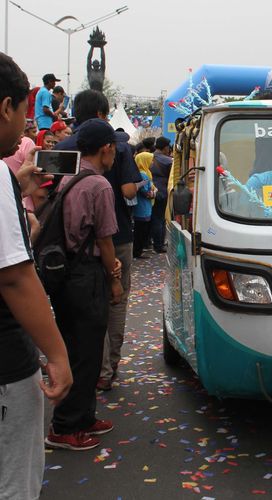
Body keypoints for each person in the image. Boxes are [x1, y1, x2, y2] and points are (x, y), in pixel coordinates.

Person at [0, 51, 72, 499]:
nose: (25, 128)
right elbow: (12, 277)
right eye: (23, 115)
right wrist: (58, 355)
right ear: (6, 106)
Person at [54, 89, 140, 393]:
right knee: (115, 302)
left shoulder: (61, 148)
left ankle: (93, 366)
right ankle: (108, 367)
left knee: (83, 314)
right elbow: (128, 192)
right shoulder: (117, 150)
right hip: (114, 241)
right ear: (103, 114)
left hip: (67, 247)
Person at [46, 118, 123, 450]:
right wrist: (114, 278)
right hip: (87, 275)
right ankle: (64, 427)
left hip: (67, 273)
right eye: (114, 150)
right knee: (85, 351)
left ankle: (84, 417)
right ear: (106, 148)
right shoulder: (100, 186)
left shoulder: (70, 177)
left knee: (79, 347)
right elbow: (106, 240)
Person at [149, 136, 173, 254]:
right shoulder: (168, 161)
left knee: (153, 218)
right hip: (162, 191)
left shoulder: (148, 157)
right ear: (165, 147)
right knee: (160, 219)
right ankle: (159, 245)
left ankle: (152, 242)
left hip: (149, 190)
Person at [132, 152, 155, 259]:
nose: (153, 163)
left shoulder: (145, 172)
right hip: (142, 207)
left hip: (144, 206)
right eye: (151, 160)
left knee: (141, 230)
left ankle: (138, 250)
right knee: (140, 231)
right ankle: (137, 251)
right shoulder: (143, 174)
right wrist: (152, 192)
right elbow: (146, 192)